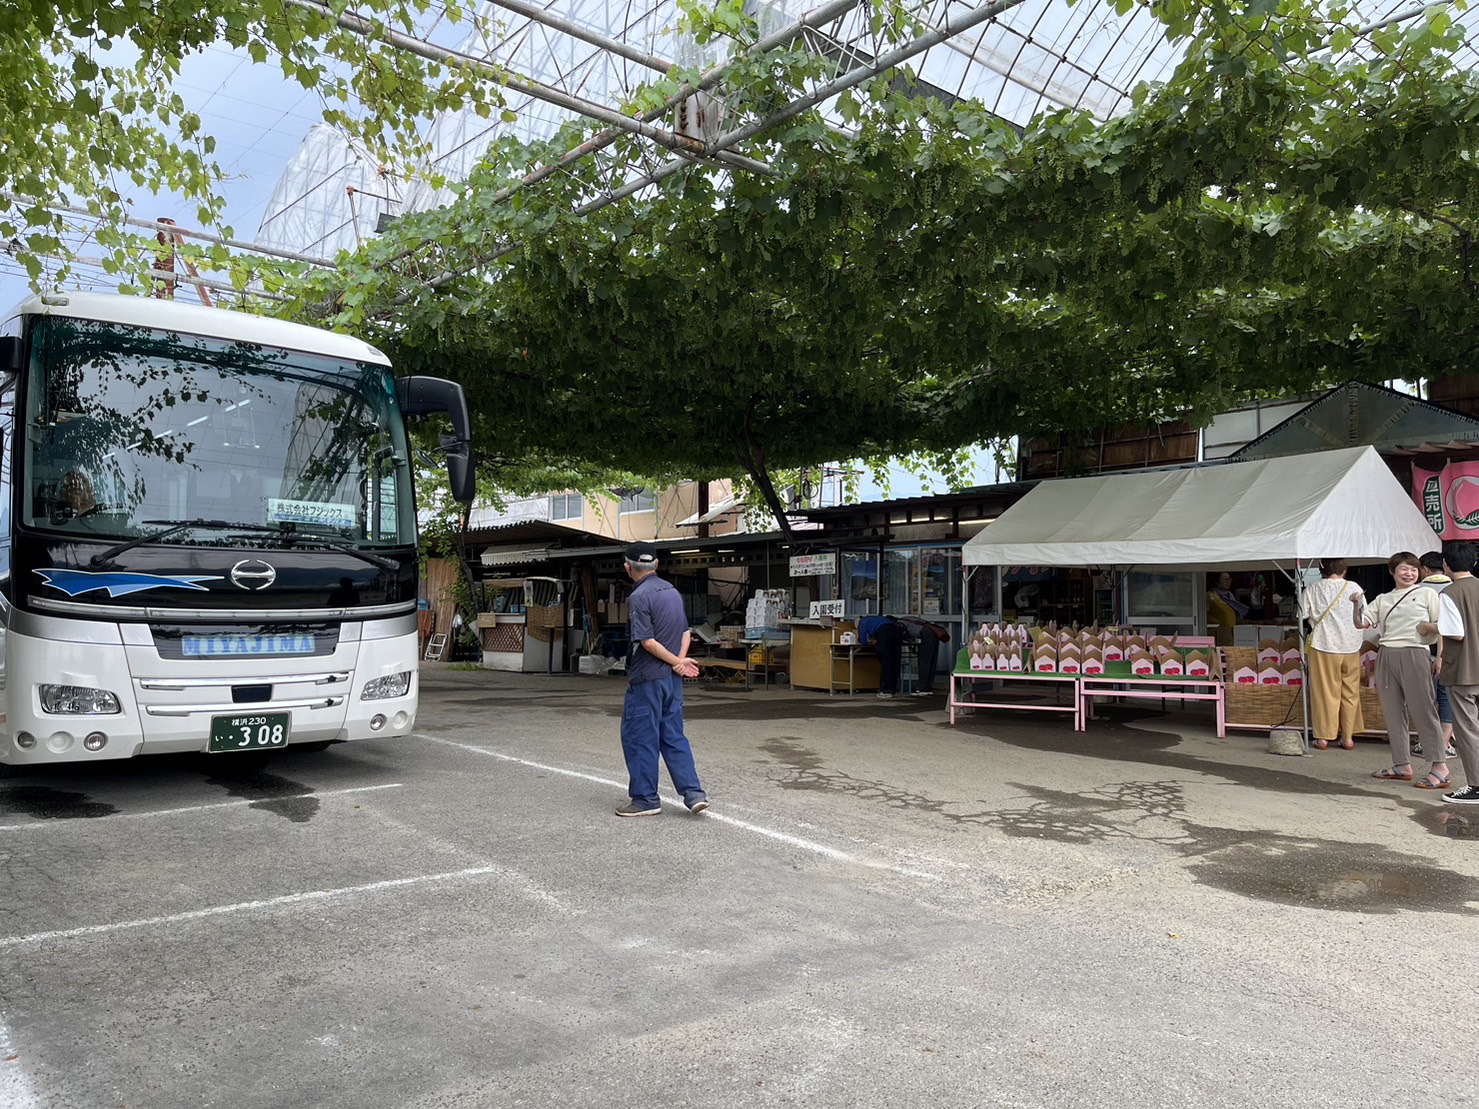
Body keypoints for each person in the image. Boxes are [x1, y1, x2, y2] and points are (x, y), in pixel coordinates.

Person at [614, 541, 708, 818]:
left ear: (627, 567)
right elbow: (685, 632)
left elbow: (648, 643)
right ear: (656, 565)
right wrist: (679, 663)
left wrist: (677, 662)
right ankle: (693, 794)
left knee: (640, 736)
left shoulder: (639, 597)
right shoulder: (672, 592)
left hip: (648, 678)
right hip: (671, 681)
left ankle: (645, 800)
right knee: (673, 735)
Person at [1356, 551, 1451, 789]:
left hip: (1415, 652)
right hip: (1386, 653)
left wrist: (1439, 655)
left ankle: (1440, 766)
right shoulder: (1383, 599)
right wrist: (1357, 603)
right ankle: (1401, 764)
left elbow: (1443, 626)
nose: (1409, 573)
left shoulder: (1427, 593)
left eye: (1413, 569)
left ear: (1419, 572)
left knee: (1423, 709)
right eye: (1403, 569)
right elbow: (1361, 623)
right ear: (1392, 572)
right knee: (1392, 710)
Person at [1298, 558, 1365, 750]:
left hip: (1324, 644)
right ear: (1345, 569)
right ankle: (1348, 737)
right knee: (1351, 693)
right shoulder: (1355, 587)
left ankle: (1324, 737)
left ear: (1322, 569)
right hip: (1352, 646)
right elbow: (1363, 614)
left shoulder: (1312, 588)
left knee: (1326, 692)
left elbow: (1301, 615)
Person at [1437, 540, 1479, 804]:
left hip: (1463, 670)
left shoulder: (1450, 593)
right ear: (1473, 562)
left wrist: (1433, 627)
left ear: (1446, 565)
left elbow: (1456, 633)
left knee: (1467, 729)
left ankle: (1476, 785)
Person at [1415, 550, 1462, 760]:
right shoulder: (1455, 588)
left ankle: (1427, 741)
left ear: (1424, 569)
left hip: (1423, 651)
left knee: (1424, 698)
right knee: (1447, 698)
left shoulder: (1416, 590)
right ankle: (1444, 742)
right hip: (1456, 653)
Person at [858, 613, 906, 698]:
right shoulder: (875, 618)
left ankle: (886, 690)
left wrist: (872, 642)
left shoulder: (862, 622)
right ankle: (893, 688)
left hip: (884, 633)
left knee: (886, 662)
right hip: (896, 632)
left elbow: (863, 641)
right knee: (895, 661)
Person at [899, 617, 950, 696]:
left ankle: (922, 688)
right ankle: (927, 687)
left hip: (927, 634)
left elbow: (907, 636)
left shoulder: (899, 623)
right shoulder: (906, 619)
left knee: (924, 661)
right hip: (933, 634)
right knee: (931, 660)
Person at [1207, 571, 1249, 644]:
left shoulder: (1230, 596)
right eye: (1225, 579)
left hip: (1232, 633)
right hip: (1218, 634)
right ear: (1217, 581)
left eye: (1229, 579)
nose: (1228, 582)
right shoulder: (1210, 596)